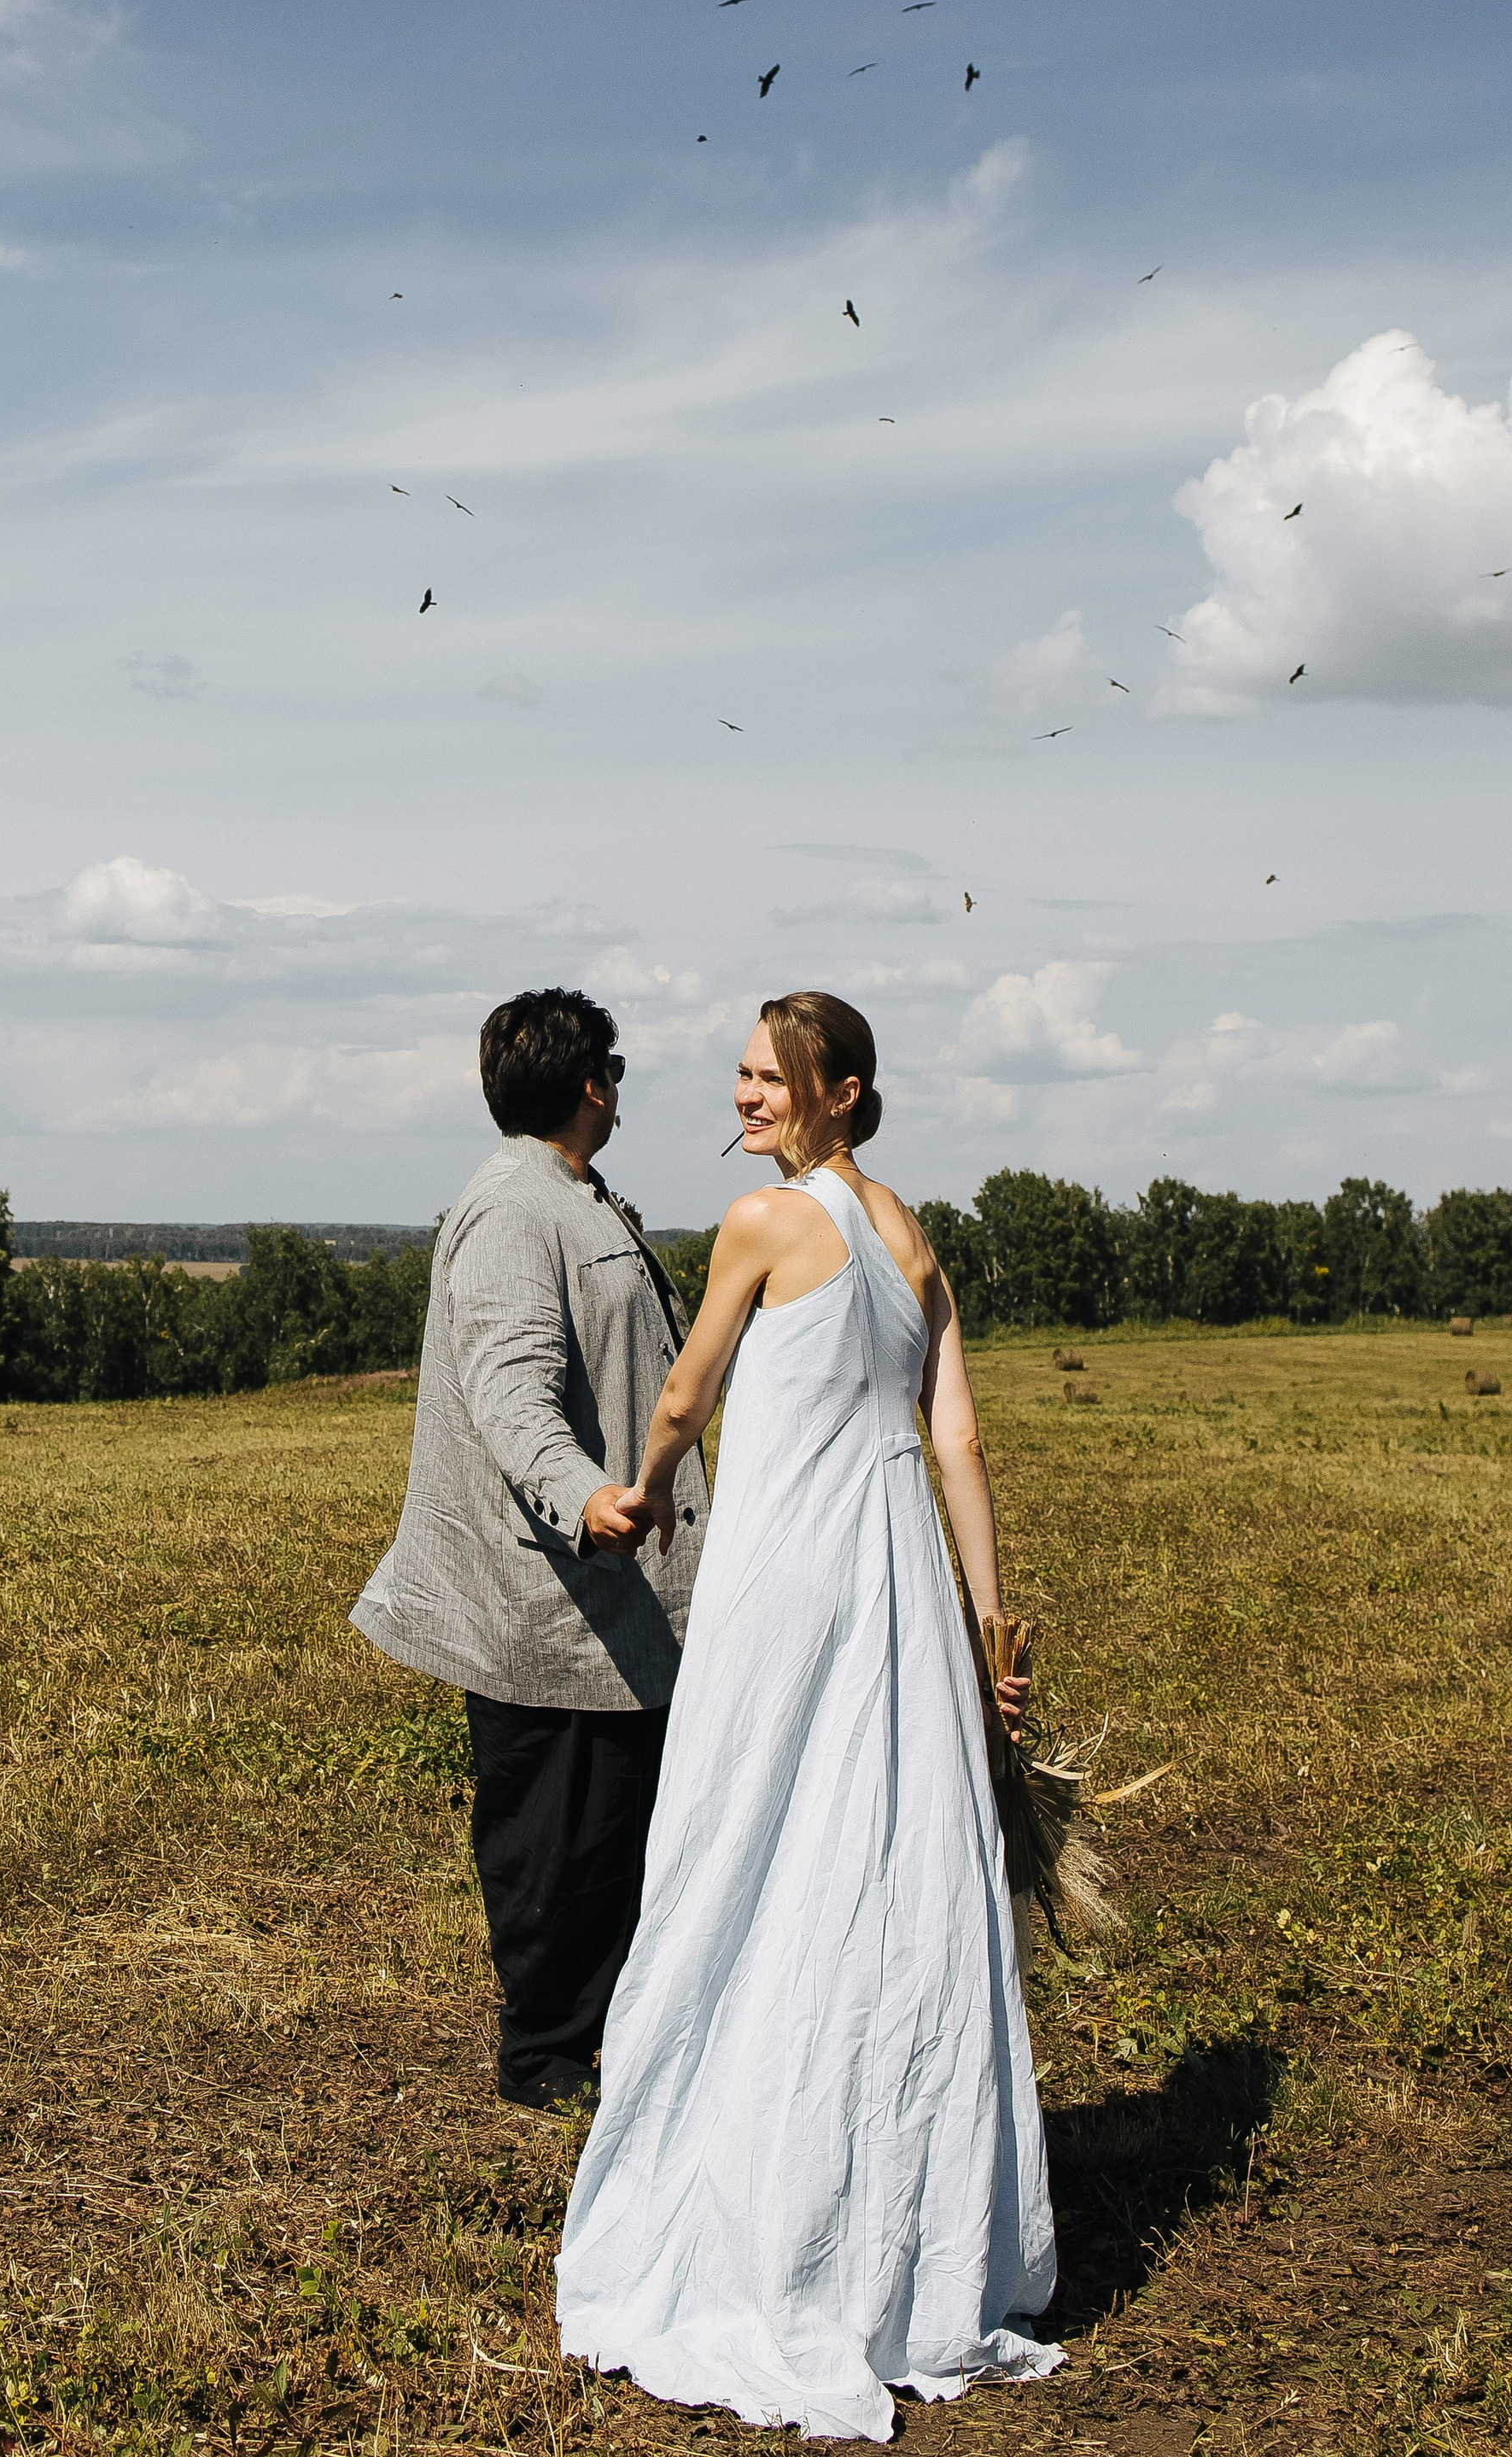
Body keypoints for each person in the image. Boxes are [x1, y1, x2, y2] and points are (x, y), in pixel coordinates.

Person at [554, 992, 1061, 2439]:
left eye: (772, 1075)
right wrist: (991, 1627)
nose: (748, 1093)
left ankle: (749, 2203)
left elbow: (685, 1391)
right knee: (886, 1868)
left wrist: (648, 1489)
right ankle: (901, 2228)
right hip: (899, 1582)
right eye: (743, 1072)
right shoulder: (914, 1237)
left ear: (839, 1091)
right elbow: (957, 1439)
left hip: (786, 1572)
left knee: (737, 1850)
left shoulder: (764, 1222)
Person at [351, 986, 708, 2113]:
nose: (619, 1085)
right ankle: (544, 2060)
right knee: (555, 1837)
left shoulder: (573, 1195)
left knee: (608, 1825)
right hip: (545, 1602)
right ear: (591, 1083)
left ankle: (594, 2039)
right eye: (614, 1067)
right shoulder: (515, 1209)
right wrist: (586, 1496)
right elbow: (510, 1392)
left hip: (604, 1597)